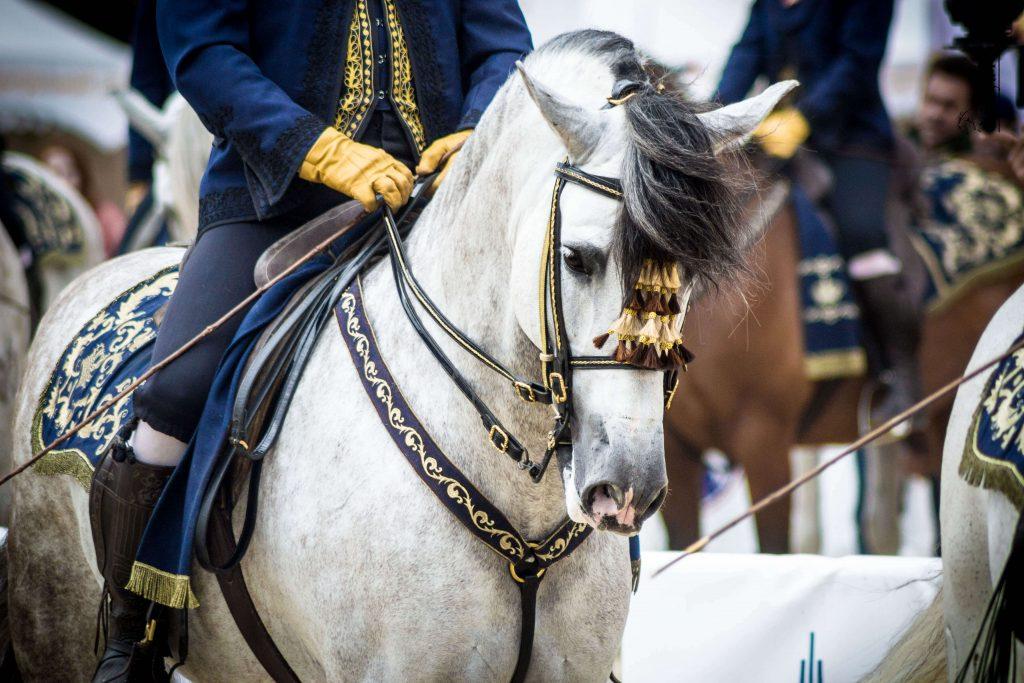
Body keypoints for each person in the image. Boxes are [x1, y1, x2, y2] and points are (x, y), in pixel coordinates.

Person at [88, 1, 532, 680]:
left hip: (442, 196)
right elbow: (204, 55)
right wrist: (320, 150)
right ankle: (134, 632)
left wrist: (475, 127)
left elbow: (504, 45)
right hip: (274, 200)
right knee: (176, 392)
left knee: (557, 348)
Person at [716, 0, 919, 421]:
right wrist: (714, 118)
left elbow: (857, 64)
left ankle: (900, 374)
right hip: (778, 140)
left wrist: (804, 118)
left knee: (862, 233)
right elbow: (745, 56)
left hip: (851, 140)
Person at [911, 53, 981, 160]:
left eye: (949, 106)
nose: (935, 115)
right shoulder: (894, 147)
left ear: (970, 113)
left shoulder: (979, 169)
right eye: (931, 100)